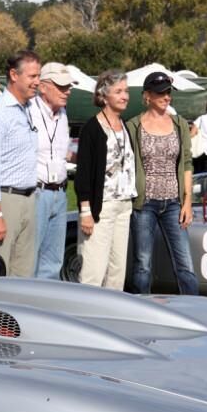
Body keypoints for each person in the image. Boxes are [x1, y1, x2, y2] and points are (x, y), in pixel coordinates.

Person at [126, 71, 198, 295]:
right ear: (147, 95)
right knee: (143, 265)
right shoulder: (133, 126)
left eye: (168, 92)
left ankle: (193, 309)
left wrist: (187, 202)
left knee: (185, 264)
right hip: (144, 204)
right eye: (160, 93)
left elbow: (187, 163)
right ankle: (141, 309)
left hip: (174, 204)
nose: (166, 97)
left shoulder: (179, 125)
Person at [0, 51, 41, 278]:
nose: (37, 82)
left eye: (38, 76)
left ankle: (15, 315)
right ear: (14, 75)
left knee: (22, 276)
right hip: (4, 201)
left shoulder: (27, 110)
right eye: (32, 76)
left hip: (28, 199)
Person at [74, 69, 135, 290]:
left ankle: (112, 319)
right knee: (93, 272)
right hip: (102, 208)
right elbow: (83, 174)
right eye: (118, 91)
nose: (125, 96)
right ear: (103, 95)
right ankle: (85, 318)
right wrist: (85, 211)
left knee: (117, 273)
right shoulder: (92, 128)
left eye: (126, 91)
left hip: (124, 206)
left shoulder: (125, 125)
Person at [30, 62, 73, 279]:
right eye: (61, 86)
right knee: (30, 257)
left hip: (61, 193)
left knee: (54, 261)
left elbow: (62, 152)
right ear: (43, 87)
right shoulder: (28, 111)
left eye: (68, 87)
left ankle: (44, 305)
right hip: (37, 192)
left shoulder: (63, 114)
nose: (67, 91)